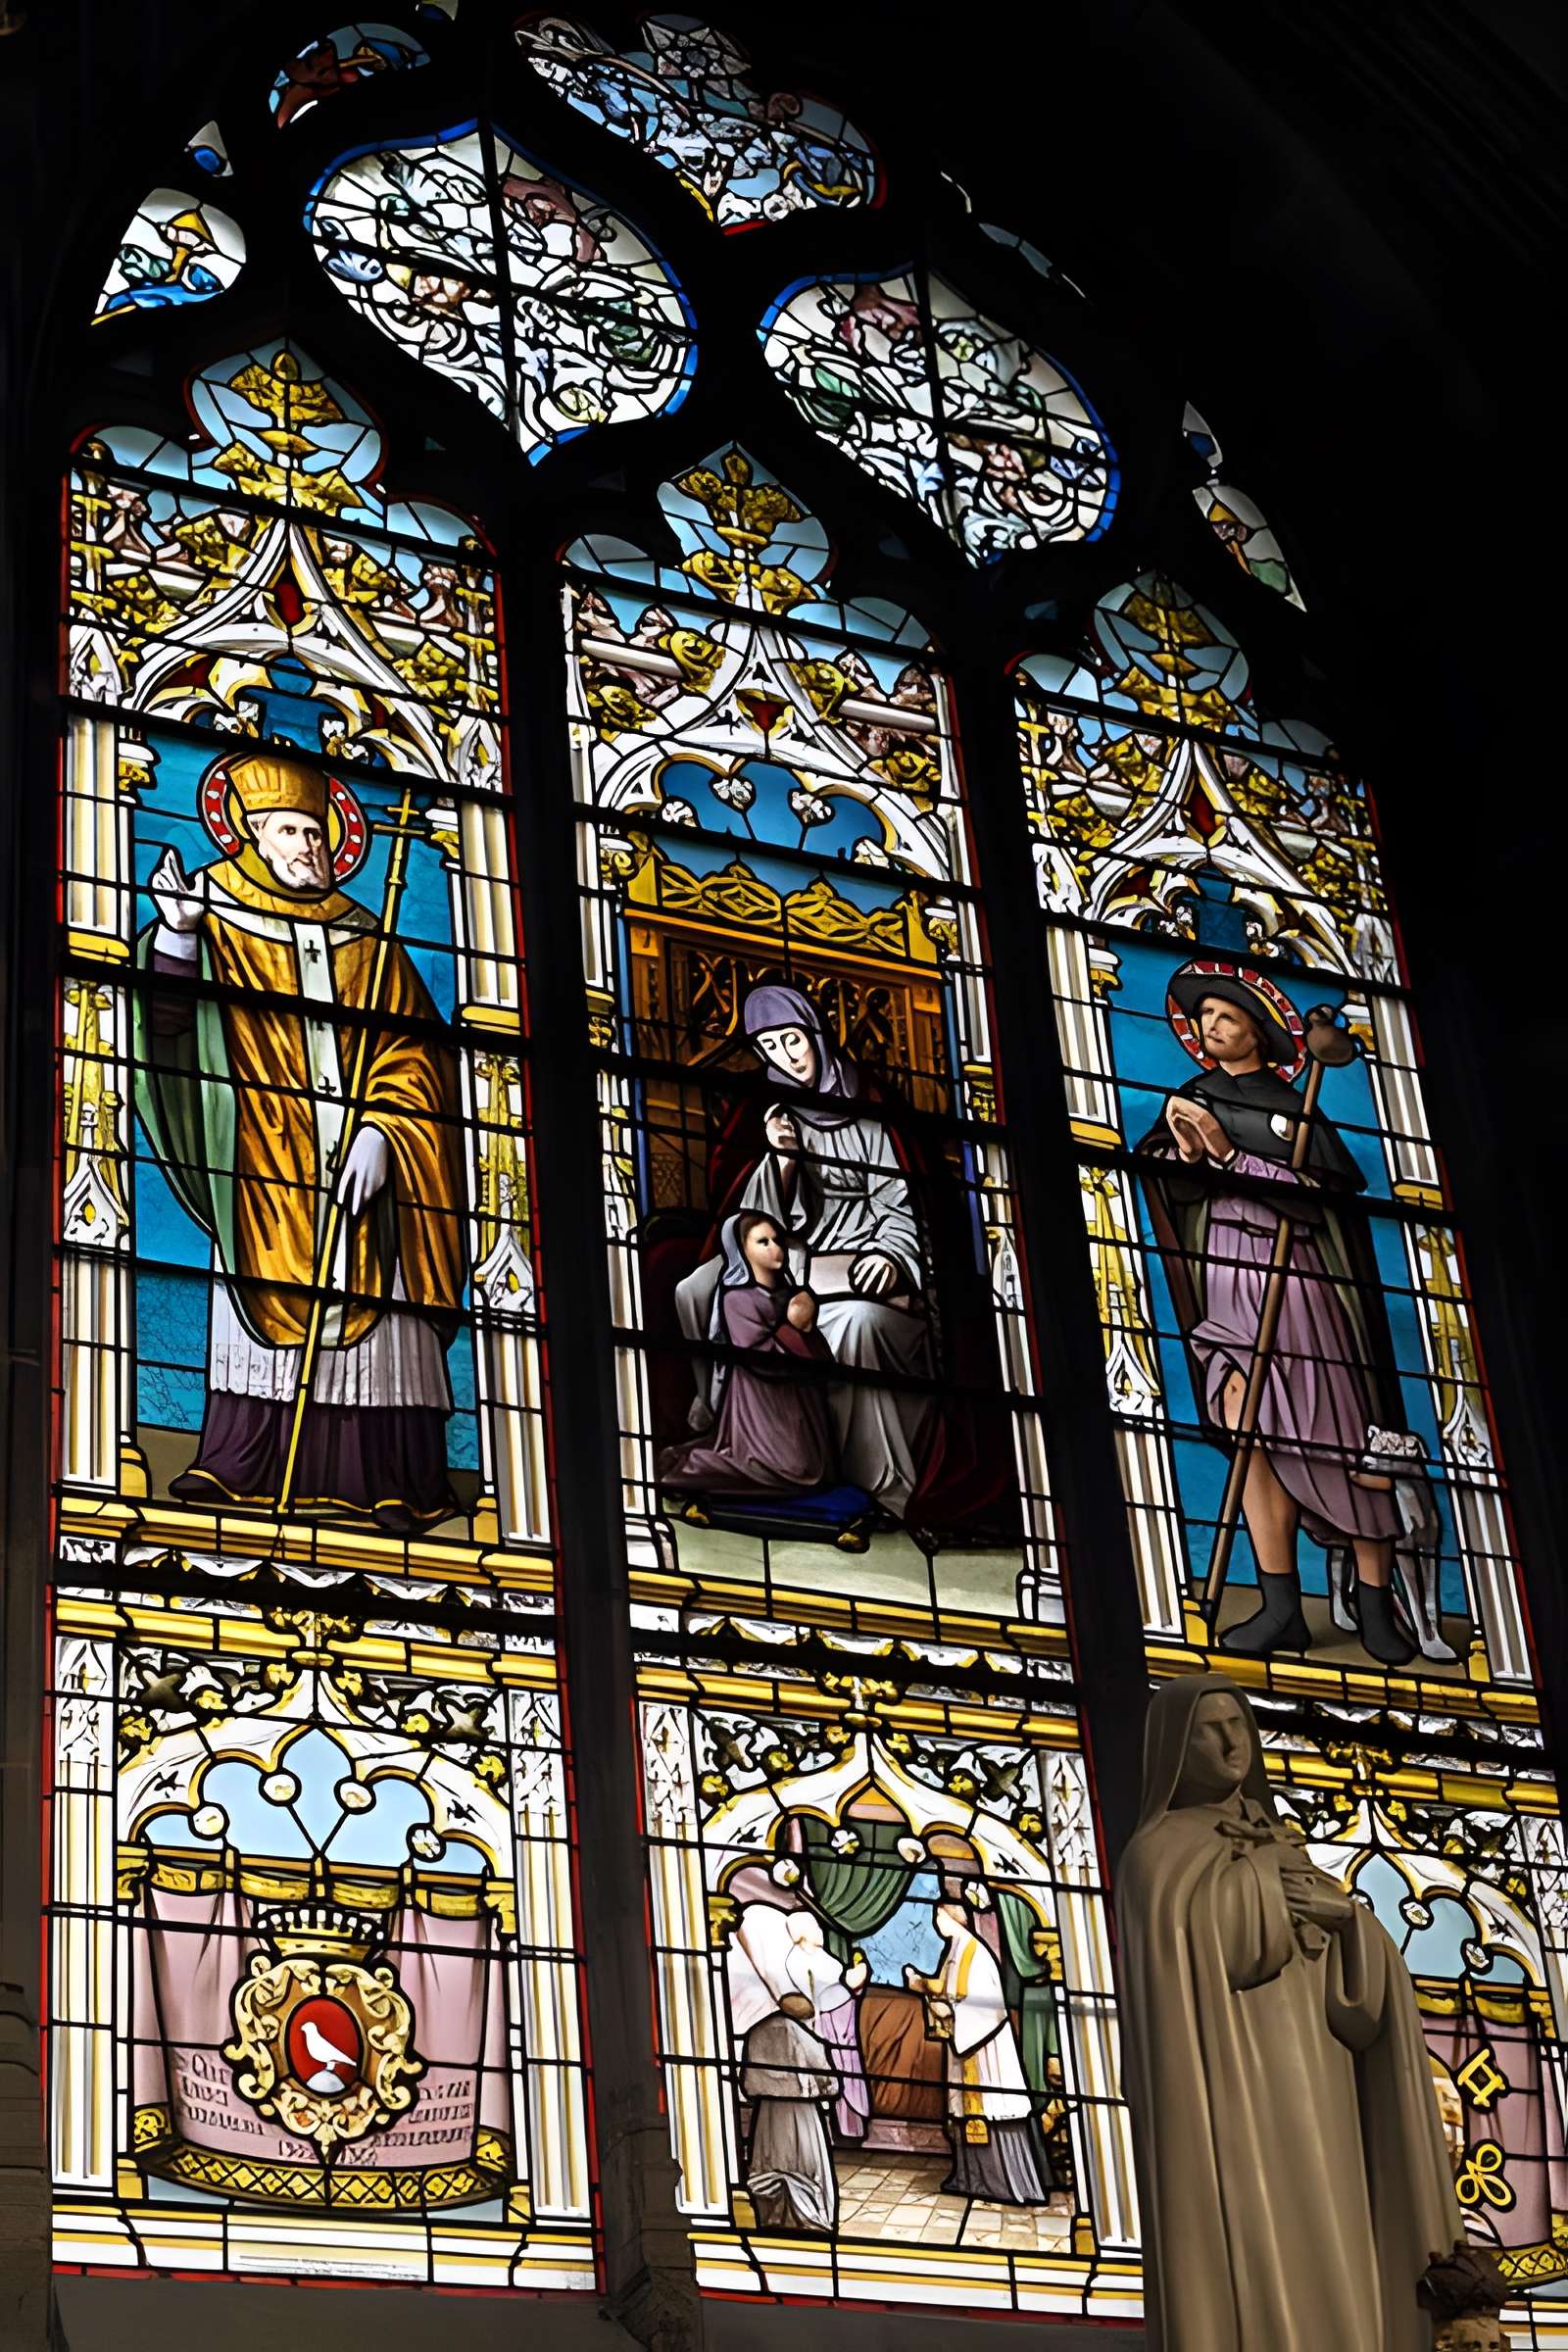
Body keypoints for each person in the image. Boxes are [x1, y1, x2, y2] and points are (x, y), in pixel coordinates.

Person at [134, 751, 465, 1530]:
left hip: (369, 1177)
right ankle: (240, 1463)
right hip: (263, 1162)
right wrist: (179, 941)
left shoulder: (365, 933)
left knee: (384, 1308)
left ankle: (393, 1478)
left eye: (318, 832)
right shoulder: (206, 912)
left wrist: (387, 1130)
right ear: (249, 833)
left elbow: (419, 1053)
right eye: (290, 829)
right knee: (261, 1294)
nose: (310, 847)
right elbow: (168, 1035)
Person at [1116, 1674, 1459, 2351]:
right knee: (1258, 2225)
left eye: (1239, 1726)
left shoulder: (1285, 1846)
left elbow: (1361, 2008)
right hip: (1230, 2083)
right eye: (1209, 1730)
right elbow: (1204, 1955)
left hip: (1322, 2078)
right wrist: (1265, 1891)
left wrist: (1353, 1925)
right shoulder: (1156, 1856)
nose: (1229, 1742)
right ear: (1175, 1752)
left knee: (1337, 2227)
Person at [1136, 965, 1414, 1665]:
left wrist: (1234, 1157)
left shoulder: (1298, 1110)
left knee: (1338, 1438)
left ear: (1258, 1030)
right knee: (1249, 1431)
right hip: (1227, 1274)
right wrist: (1185, 1153)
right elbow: (1165, 1184)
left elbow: (1325, 1206)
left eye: (1225, 1017)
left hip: (1301, 1287)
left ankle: (1377, 1608)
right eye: (1203, 1021)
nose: (1210, 1029)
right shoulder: (1193, 1097)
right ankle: (1280, 1604)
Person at [674, 984, 934, 1517]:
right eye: (768, 1049)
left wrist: (890, 1256)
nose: (785, 1059)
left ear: (815, 1034)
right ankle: (729, 1424)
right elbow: (757, 1218)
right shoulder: (772, 1111)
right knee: (694, 1290)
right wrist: (784, 1159)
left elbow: (900, 1199)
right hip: (794, 1254)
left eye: (792, 1041)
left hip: (869, 1250)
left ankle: (871, 1478)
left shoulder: (869, 1108)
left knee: (858, 1321)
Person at [659, 1212, 838, 1496]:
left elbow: (822, 1361)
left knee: (809, 1470)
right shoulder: (737, 1299)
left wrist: (806, 1328)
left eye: (777, 1240)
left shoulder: (793, 1295)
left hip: (798, 1411)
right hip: (759, 1410)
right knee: (789, 1469)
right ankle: (689, 1466)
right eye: (763, 1242)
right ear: (742, 1250)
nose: (775, 1248)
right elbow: (761, 1359)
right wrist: (793, 1326)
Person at [906, 1894, 1053, 2203]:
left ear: (953, 1917)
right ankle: (973, 2179)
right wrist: (924, 1988)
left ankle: (1006, 2184)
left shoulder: (976, 1954)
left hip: (985, 2049)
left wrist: (951, 2013)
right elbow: (950, 1991)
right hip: (967, 2046)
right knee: (965, 2112)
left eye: (939, 1917)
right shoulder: (956, 1951)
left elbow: (988, 2008)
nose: (937, 1923)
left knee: (994, 2111)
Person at [740, 1990, 840, 2233]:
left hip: (768, 2115)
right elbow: (828, 2079)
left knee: (771, 2165)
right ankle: (809, 2218)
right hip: (801, 2113)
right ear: (805, 2017)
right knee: (803, 2165)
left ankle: (773, 2219)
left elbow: (748, 2083)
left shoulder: (757, 2032)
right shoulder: (801, 2034)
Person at [785, 1914, 870, 2146]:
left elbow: (840, 1985)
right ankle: (842, 2132)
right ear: (802, 1932)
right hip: (830, 2025)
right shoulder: (797, 1961)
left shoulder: (820, 1955)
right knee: (837, 2071)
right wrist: (855, 1975)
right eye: (815, 1927)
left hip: (845, 2022)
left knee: (849, 2071)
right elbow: (814, 1998)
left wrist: (855, 1980)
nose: (820, 1931)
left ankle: (852, 2129)